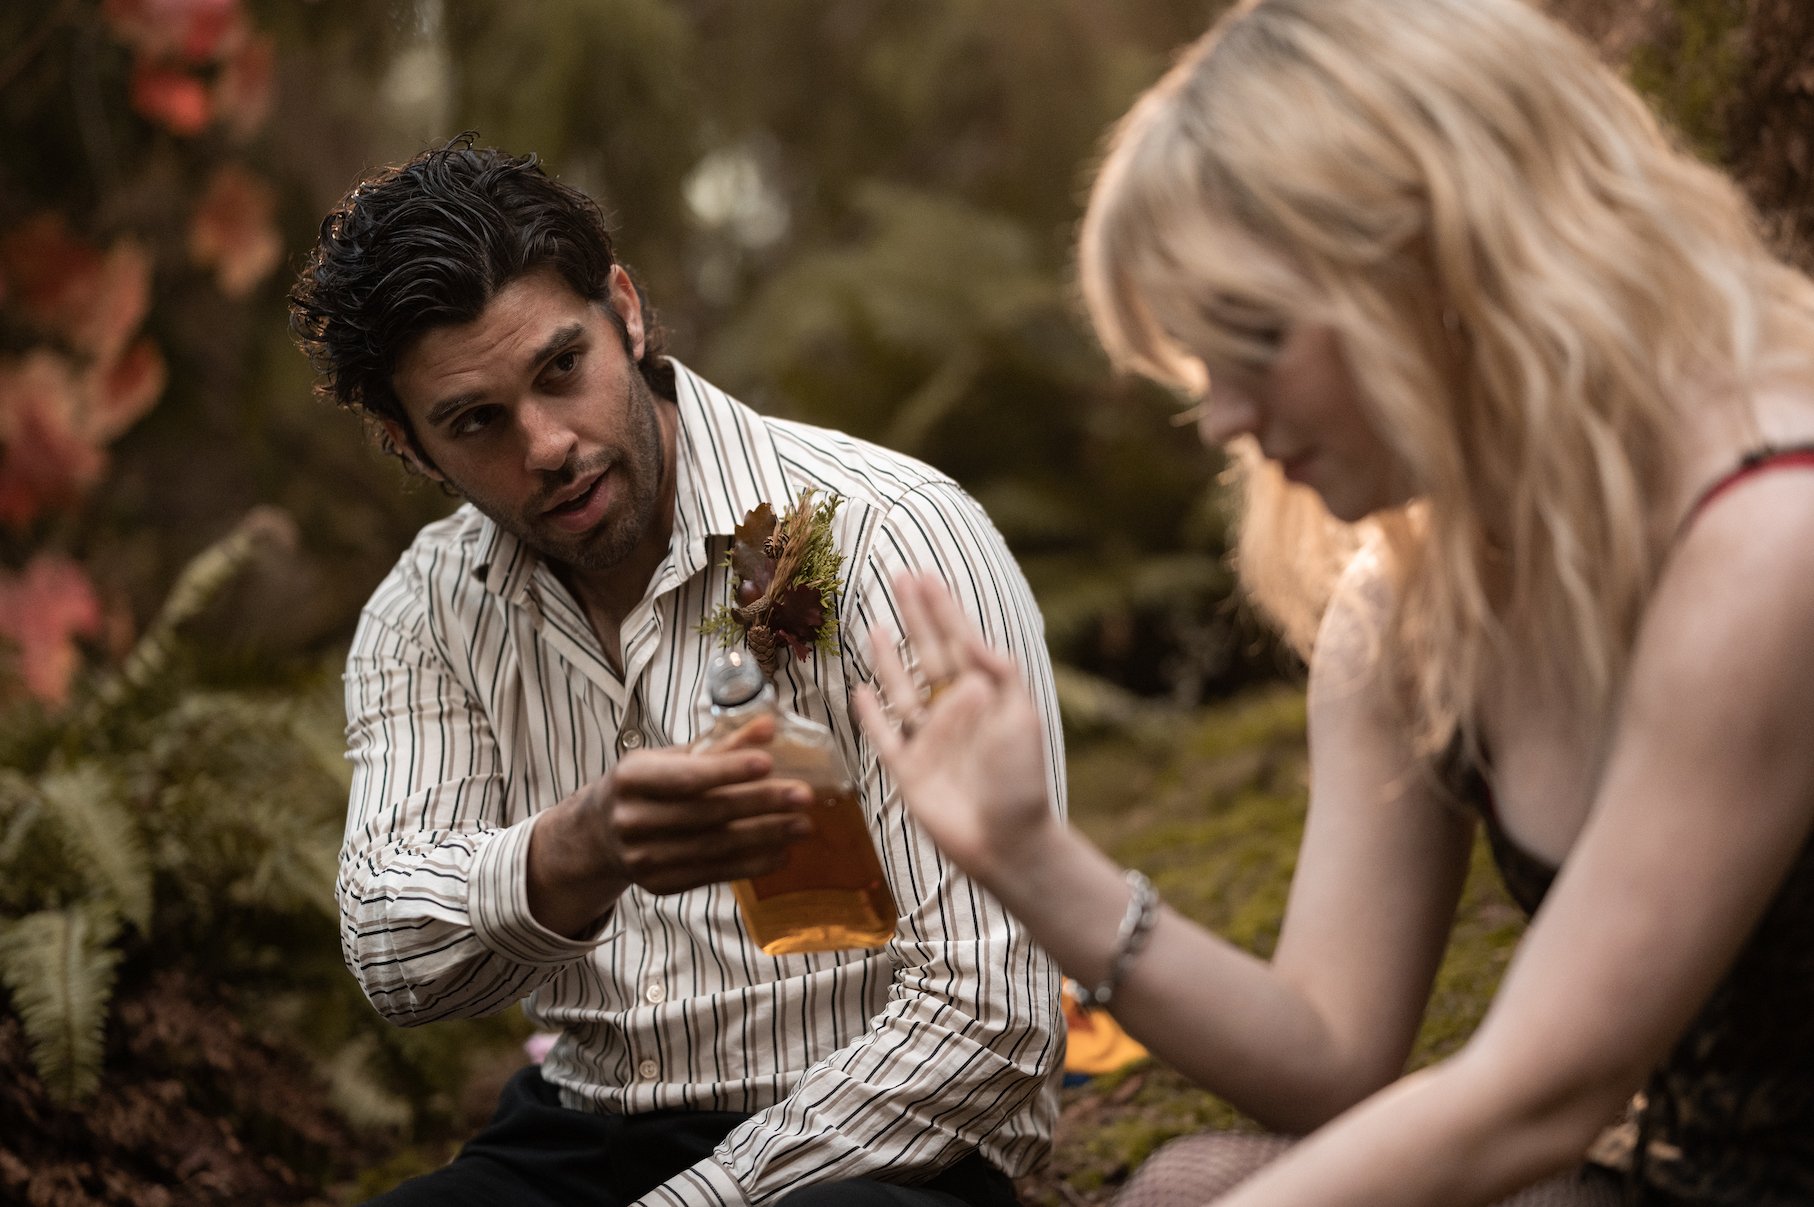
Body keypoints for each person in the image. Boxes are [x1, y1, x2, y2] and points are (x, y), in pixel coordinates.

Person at [853, 0, 1814, 1204]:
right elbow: (1327, 1050)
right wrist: (1028, 857)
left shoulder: (1772, 530)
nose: (1221, 423)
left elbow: (1544, 1089)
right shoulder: (1417, 607)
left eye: (1252, 340)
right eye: (1201, 366)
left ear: (1443, 256)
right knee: (1183, 1185)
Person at [287, 137, 1068, 1207]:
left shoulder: (884, 534)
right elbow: (392, 952)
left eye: (561, 369)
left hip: (874, 1147)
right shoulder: (426, 614)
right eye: (476, 422)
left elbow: (995, 1010)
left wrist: (695, 1201)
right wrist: (579, 849)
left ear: (625, 309)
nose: (549, 444)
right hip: (582, 1131)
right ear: (409, 443)